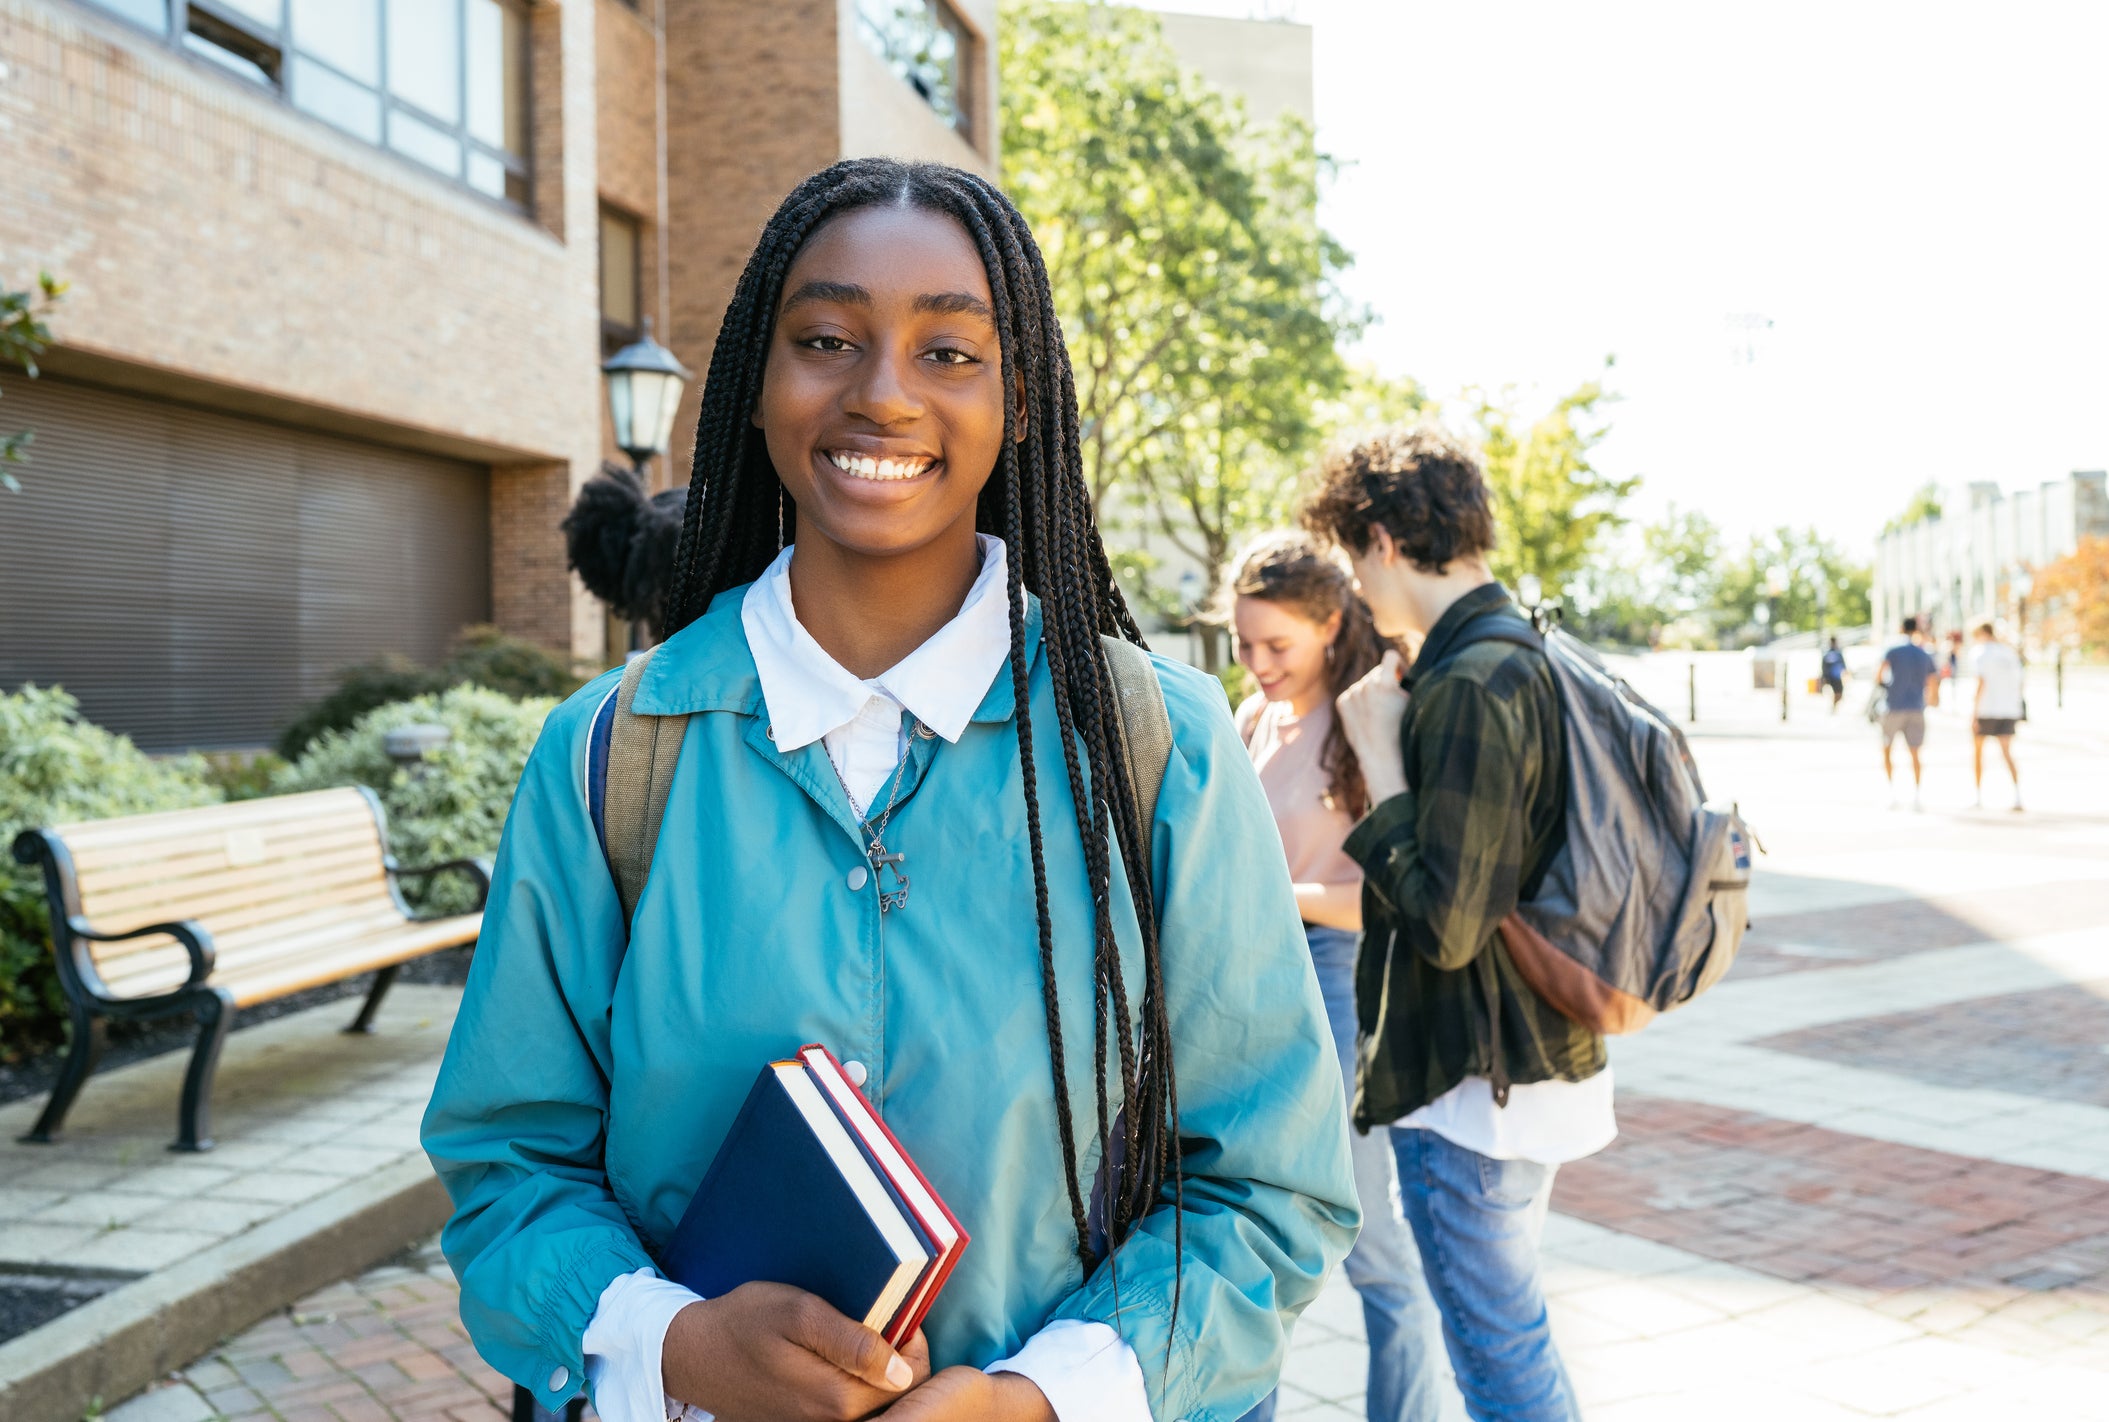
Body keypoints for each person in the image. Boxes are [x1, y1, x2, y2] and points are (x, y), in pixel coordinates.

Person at [421, 159, 1357, 1422]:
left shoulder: (1159, 749)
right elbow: (511, 1168)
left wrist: (1038, 1396)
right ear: (758, 379)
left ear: (1020, 401)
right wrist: (673, 1344)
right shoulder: (612, 754)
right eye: (826, 339)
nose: (881, 394)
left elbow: (1266, 1191)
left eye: (950, 353)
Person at [1306, 425, 1612, 1422]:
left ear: (1385, 540)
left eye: (1356, 559)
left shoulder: (1471, 679)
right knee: (1511, 1340)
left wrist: (1380, 762)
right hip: (1531, 1061)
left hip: (1469, 1085)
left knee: (1499, 1362)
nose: (1357, 587)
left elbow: (1447, 921)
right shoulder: (1526, 649)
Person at [1228, 533, 1460, 1422]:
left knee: (1364, 1235)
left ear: (1329, 624)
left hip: (1337, 979)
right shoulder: (1253, 718)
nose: (1256, 665)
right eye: (1244, 645)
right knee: (1247, 1227)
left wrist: (1268, 892)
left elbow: (1389, 899)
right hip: (1251, 975)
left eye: (1275, 646)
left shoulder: (1365, 725)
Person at [1878, 617, 1939, 810]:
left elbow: (1879, 675)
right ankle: (1917, 795)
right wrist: (1930, 701)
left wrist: (1886, 686)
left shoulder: (1892, 649)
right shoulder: (1924, 653)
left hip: (1893, 705)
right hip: (1916, 706)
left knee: (1887, 749)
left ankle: (1891, 792)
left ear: (1901, 628)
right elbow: (1932, 682)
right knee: (1915, 752)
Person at [1969, 622, 2024, 811]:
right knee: (2007, 753)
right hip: (2008, 709)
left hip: (1986, 709)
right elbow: (2020, 682)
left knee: (1978, 753)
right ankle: (2017, 796)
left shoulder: (1980, 653)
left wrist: (1973, 714)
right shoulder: (2009, 653)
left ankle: (1977, 796)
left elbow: (1980, 683)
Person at [1820, 636, 1847, 713]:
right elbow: (1823, 666)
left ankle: (1834, 705)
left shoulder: (1838, 653)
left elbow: (1843, 664)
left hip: (1837, 677)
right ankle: (1833, 706)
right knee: (1835, 693)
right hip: (1830, 677)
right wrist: (1824, 677)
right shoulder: (1827, 653)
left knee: (1839, 694)